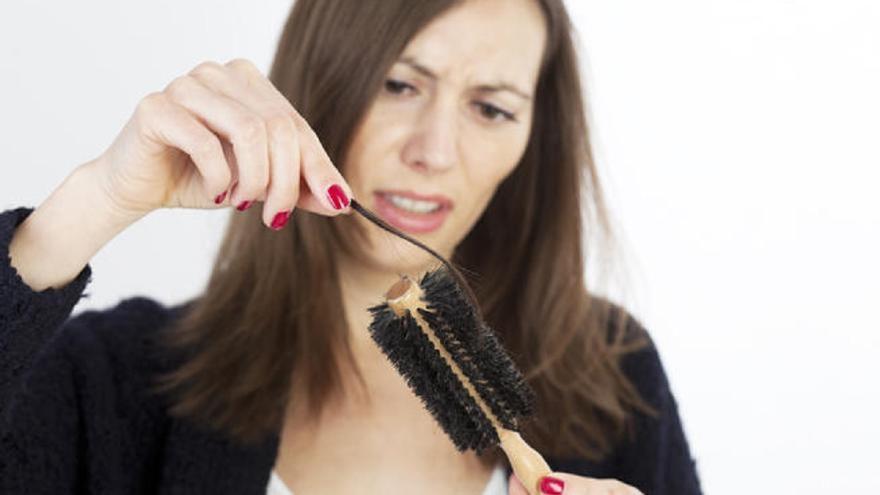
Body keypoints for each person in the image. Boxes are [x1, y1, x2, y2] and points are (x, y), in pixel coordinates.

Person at [0, 0, 702, 493]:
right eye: (399, 84)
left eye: (491, 108)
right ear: (318, 83)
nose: (434, 150)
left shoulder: (615, 375)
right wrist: (93, 202)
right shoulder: (115, 381)